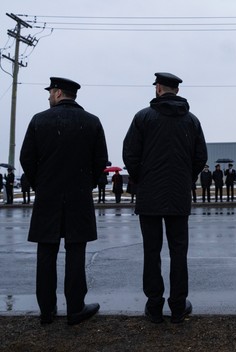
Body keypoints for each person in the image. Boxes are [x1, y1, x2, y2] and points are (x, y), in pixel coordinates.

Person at [19, 76, 108, 325]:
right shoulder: (92, 122)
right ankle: (75, 308)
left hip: (47, 197)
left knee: (46, 253)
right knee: (76, 253)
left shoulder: (39, 120)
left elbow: (26, 158)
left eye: (50, 92)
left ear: (58, 93)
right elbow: (101, 160)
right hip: (79, 197)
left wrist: (42, 184)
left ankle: (46, 310)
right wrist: (85, 184)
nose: (48, 97)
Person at [123, 72, 208, 324]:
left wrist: (143, 178)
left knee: (152, 252)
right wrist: (185, 178)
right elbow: (200, 156)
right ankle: (179, 307)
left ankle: (154, 305)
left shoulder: (143, 118)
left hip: (149, 196)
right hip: (178, 196)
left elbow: (130, 154)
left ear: (158, 88)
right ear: (177, 91)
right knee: (178, 252)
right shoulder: (191, 121)